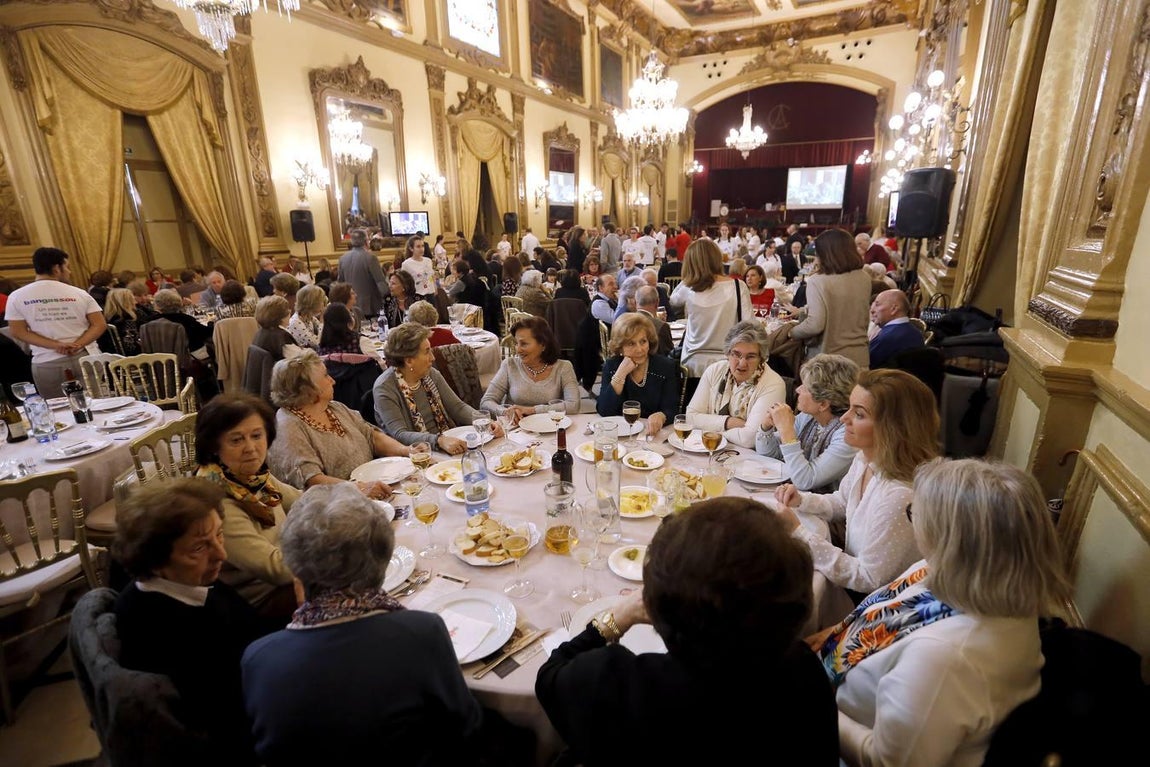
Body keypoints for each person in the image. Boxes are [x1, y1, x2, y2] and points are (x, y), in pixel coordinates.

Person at [536, 497, 839, 767]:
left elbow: (550, 677)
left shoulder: (617, 682)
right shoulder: (804, 672)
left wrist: (615, 620)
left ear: (656, 606)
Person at [816, 459, 1071, 767]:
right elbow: (872, 619)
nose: (913, 523)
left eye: (914, 514)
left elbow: (885, 762)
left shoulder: (945, 658)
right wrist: (828, 637)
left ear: (952, 539)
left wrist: (812, 702)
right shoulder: (953, 572)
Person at [241, 484, 484, 765]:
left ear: (296, 568)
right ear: (382, 562)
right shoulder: (420, 633)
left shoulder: (258, 658)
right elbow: (467, 728)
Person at [112, 478, 266, 764]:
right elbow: (225, 722)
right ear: (155, 561)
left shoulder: (191, 582)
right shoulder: (158, 628)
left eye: (219, 535)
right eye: (198, 548)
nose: (221, 554)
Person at [773, 369, 940, 623]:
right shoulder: (866, 458)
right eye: (849, 408)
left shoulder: (900, 495)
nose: (844, 419)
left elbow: (868, 578)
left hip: (872, 612)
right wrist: (802, 500)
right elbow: (842, 502)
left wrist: (799, 533)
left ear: (894, 427)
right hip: (849, 577)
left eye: (859, 414)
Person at [194, 393, 300, 621]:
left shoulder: (252, 477)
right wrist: (330, 551)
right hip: (266, 603)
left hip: (294, 570)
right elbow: (277, 569)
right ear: (214, 446)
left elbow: (303, 501)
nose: (251, 448)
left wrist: (354, 497)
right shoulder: (217, 500)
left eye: (256, 435)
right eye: (236, 440)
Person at [266, 350, 408, 498]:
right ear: (308, 390)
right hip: (335, 505)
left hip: (372, 488)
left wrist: (406, 450)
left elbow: (371, 436)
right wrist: (359, 489)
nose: (333, 380)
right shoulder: (288, 427)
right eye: (326, 376)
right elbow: (312, 482)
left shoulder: (333, 407)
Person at [373, 322, 502, 454]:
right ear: (409, 360)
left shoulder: (430, 374)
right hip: (417, 454)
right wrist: (438, 440)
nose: (433, 357)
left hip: (447, 443)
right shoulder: (385, 388)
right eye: (427, 352)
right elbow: (400, 434)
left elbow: (457, 407)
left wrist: (485, 422)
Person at [5, 246, 106, 397]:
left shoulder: (17, 296)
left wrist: (56, 345)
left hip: (47, 361)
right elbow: (99, 324)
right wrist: (77, 344)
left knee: (59, 413)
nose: (69, 272)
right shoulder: (79, 293)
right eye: (67, 267)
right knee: (97, 404)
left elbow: (17, 331)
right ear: (56, 268)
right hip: (85, 357)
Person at [757, 354, 859, 493]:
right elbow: (769, 454)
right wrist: (766, 427)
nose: (797, 390)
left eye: (805, 388)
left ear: (823, 404)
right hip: (799, 499)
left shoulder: (847, 435)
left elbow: (805, 480)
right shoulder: (809, 416)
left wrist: (787, 432)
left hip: (826, 509)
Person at [686, 321, 787, 448]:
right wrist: (728, 422)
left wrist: (712, 431)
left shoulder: (773, 384)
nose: (742, 363)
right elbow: (690, 418)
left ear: (762, 358)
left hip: (751, 459)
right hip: (709, 449)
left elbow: (750, 439)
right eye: (736, 354)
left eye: (751, 357)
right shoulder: (715, 371)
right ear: (727, 353)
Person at [789, 229, 873, 369]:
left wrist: (792, 332)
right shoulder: (864, 278)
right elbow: (845, 308)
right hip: (860, 357)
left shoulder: (818, 281)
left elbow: (815, 325)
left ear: (825, 254)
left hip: (828, 362)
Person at [669, 239, 752, 377]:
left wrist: (687, 279)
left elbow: (672, 301)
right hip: (727, 361)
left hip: (692, 362)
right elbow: (749, 325)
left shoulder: (688, 287)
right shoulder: (738, 286)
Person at [481, 315, 580, 421]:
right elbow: (486, 402)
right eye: (516, 343)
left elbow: (574, 405)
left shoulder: (563, 367)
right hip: (514, 429)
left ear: (543, 345)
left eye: (524, 344)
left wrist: (532, 410)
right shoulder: (510, 365)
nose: (518, 349)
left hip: (550, 427)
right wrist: (506, 412)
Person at [596, 313, 678, 437]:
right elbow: (604, 411)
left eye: (643, 341)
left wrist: (662, 415)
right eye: (631, 344)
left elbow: (673, 408)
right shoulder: (612, 366)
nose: (640, 349)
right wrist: (621, 373)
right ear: (620, 347)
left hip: (653, 435)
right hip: (619, 435)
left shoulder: (665, 367)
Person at [336, 228, 388, 318]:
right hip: (370, 306)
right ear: (366, 241)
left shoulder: (343, 258)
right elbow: (380, 283)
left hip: (350, 306)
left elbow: (340, 283)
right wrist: (388, 297)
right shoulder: (371, 258)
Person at [868, 288, 924, 367]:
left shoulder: (887, 337)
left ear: (894, 309)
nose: (872, 310)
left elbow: (865, 363)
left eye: (877, 304)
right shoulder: (915, 332)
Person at [153, 288, 212, 355]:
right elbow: (205, 333)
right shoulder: (186, 319)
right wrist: (211, 324)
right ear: (178, 302)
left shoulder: (151, 322)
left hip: (163, 359)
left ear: (157, 306)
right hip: (192, 356)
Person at [103, 287, 151, 356]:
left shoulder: (107, 319)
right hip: (136, 359)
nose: (135, 302)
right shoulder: (129, 319)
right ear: (127, 302)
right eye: (132, 299)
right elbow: (131, 347)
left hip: (113, 357)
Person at [252, 295, 298, 362]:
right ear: (281, 317)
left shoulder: (260, 333)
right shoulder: (281, 337)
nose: (290, 312)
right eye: (288, 310)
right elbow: (301, 358)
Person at [636, 285, 673, 356]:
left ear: (636, 302)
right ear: (657, 303)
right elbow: (668, 356)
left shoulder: (624, 322)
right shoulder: (661, 326)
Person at [286, 284, 326, 350]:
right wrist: (322, 321)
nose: (323, 304)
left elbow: (325, 333)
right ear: (312, 303)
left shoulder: (309, 317)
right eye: (321, 301)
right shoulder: (296, 322)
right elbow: (318, 343)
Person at [400, 234, 437, 301]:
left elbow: (431, 276)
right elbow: (404, 282)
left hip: (430, 294)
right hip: (417, 295)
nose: (421, 249)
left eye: (422, 246)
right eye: (418, 247)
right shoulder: (407, 264)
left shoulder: (428, 261)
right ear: (411, 248)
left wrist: (435, 287)